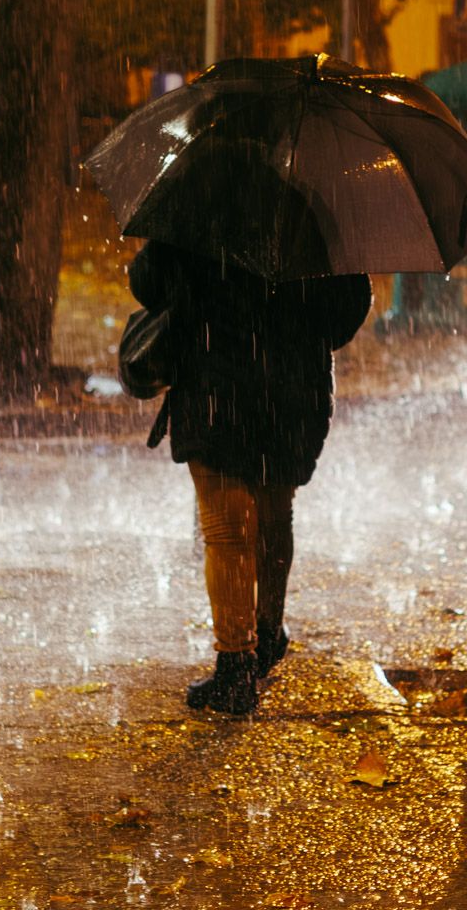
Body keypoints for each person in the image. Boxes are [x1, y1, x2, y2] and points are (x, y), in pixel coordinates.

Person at [127, 239, 371, 714]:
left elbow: (149, 285)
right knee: (275, 516)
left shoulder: (198, 202)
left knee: (226, 530)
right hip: (293, 391)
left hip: (213, 384)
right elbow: (345, 314)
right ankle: (266, 633)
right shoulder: (316, 210)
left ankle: (236, 666)